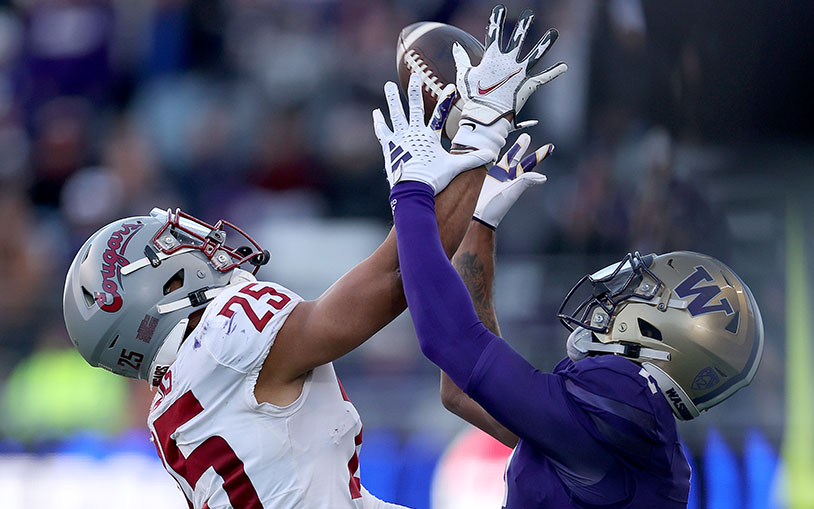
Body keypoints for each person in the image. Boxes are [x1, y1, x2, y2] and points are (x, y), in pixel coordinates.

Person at [62, 5, 566, 507]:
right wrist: (478, 130)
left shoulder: (179, 402)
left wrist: (475, 218)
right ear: (160, 288)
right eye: (169, 247)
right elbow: (395, 279)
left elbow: (462, 381)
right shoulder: (220, 342)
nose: (194, 244)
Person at [380, 40, 763, 509]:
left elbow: (448, 338)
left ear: (664, 330)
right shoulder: (633, 436)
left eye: (645, 291)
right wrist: (479, 225)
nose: (623, 294)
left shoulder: (620, 404)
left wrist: (413, 193)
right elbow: (463, 388)